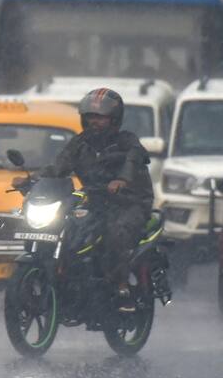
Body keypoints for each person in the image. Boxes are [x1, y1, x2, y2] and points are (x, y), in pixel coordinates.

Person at [33, 88, 153, 312]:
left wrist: (121, 179)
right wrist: (32, 179)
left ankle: (122, 287)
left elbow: (136, 157)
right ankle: (69, 281)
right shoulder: (80, 143)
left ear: (114, 119)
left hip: (130, 202)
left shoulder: (127, 141)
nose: (94, 121)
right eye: (90, 116)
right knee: (68, 228)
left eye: (100, 117)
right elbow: (59, 167)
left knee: (114, 232)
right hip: (96, 200)